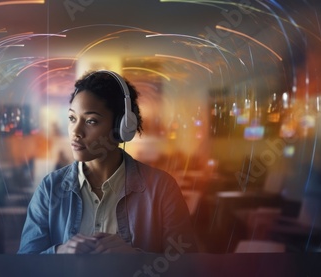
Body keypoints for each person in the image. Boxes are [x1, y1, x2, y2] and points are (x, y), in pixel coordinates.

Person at [18, 70, 197, 254]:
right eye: (72, 118)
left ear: (122, 127)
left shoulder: (162, 189)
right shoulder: (50, 188)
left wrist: (134, 259)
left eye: (91, 121)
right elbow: (24, 264)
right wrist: (59, 253)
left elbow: (187, 266)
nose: (76, 131)